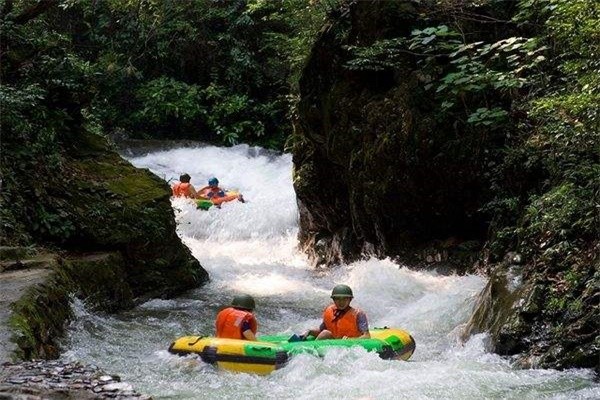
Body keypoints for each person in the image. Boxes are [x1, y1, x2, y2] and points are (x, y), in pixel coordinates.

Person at [304, 284, 370, 340]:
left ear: (350, 300)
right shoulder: (329, 312)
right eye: (338, 298)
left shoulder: (358, 314)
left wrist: (351, 340)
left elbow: (367, 336)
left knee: (325, 334)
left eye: (345, 299)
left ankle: (311, 351)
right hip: (334, 345)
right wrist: (310, 331)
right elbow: (321, 331)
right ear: (333, 299)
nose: (341, 302)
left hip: (350, 345)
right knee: (324, 333)